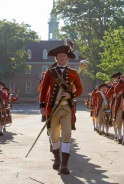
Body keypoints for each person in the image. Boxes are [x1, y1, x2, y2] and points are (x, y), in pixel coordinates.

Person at [39, 41, 83, 174]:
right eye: (60, 56)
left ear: (67, 58)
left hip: (67, 108)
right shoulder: (50, 72)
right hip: (53, 108)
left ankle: (64, 164)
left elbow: (80, 89)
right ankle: (56, 158)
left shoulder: (73, 72)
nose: (62, 58)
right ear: (56, 58)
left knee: (66, 134)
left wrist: (71, 95)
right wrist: (42, 105)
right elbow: (44, 89)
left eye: (64, 56)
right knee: (54, 136)